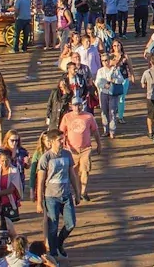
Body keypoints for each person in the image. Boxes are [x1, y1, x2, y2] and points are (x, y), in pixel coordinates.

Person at [36, 129, 79, 258]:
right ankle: (53, 253)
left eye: (63, 138)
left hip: (66, 195)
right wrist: (39, 202)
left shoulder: (67, 155)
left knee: (70, 223)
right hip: (51, 197)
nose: (62, 141)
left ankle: (59, 243)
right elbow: (41, 181)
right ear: (52, 141)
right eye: (59, 139)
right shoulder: (46, 158)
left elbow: (72, 174)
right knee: (52, 226)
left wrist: (77, 193)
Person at [59, 102, 101, 202]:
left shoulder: (88, 116)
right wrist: (61, 146)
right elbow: (61, 132)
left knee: (85, 170)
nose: (77, 108)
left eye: (79, 105)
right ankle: (77, 192)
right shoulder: (67, 117)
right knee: (74, 172)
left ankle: (83, 192)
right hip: (71, 150)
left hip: (86, 149)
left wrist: (99, 144)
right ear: (71, 106)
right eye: (75, 105)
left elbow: (95, 130)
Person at [95, 54, 127, 138]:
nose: (105, 62)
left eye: (106, 60)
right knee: (104, 112)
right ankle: (106, 130)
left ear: (109, 60)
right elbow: (97, 82)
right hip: (104, 93)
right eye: (102, 61)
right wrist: (104, 85)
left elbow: (121, 80)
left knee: (112, 111)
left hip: (113, 93)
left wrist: (114, 80)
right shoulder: (100, 71)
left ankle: (112, 130)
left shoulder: (115, 70)